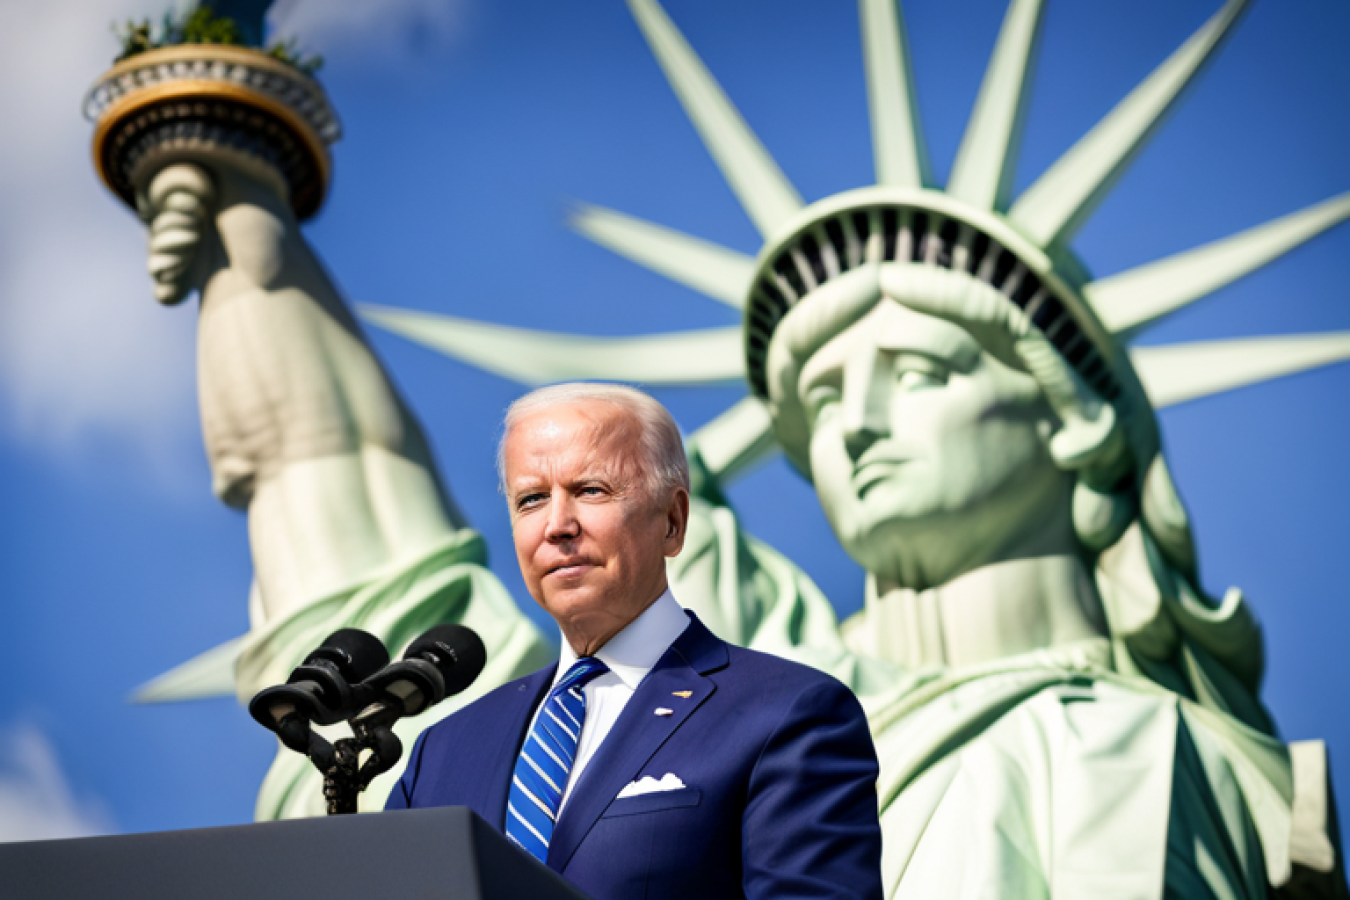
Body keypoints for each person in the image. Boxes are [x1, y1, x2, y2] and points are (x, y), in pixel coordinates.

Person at [386, 383, 884, 900]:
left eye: (591, 490)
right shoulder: (442, 753)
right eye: (531, 499)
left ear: (673, 521)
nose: (557, 525)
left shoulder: (788, 714)